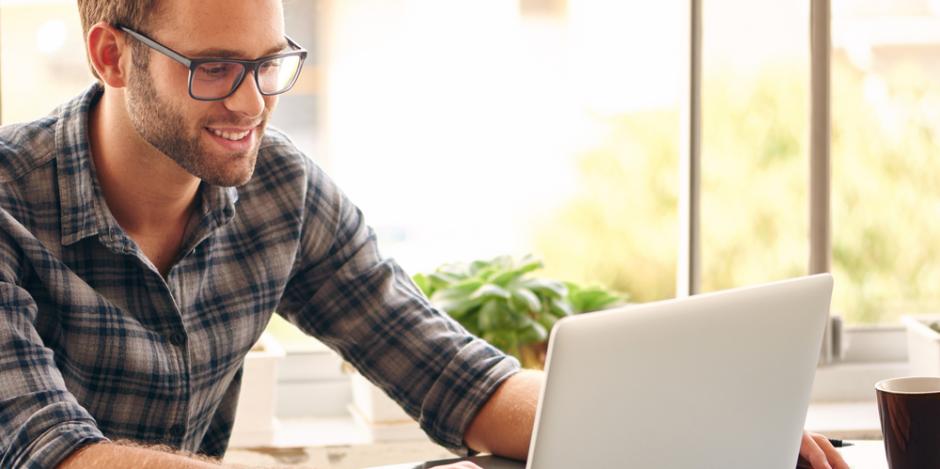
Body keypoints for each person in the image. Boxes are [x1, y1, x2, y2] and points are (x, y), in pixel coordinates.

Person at [0, 1, 848, 468]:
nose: (254, 103)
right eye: (214, 68)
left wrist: (714, 435)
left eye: (271, 63)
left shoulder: (281, 192)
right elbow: (49, 452)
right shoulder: (9, 202)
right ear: (111, 56)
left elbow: (451, 375)